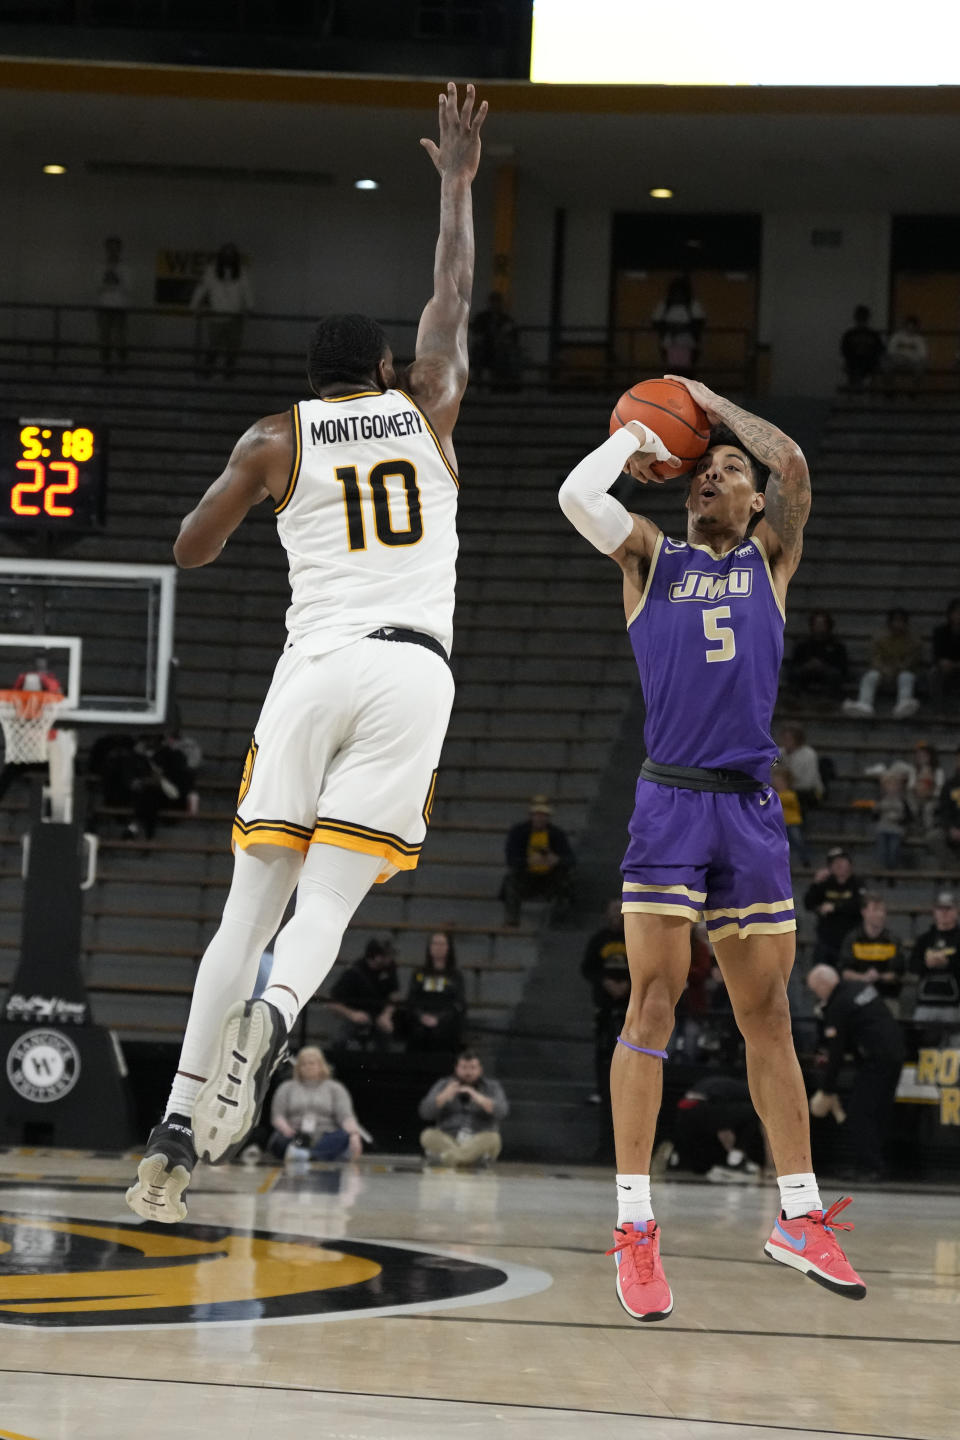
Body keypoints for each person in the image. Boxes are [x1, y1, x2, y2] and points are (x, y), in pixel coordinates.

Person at [125, 82, 489, 1224]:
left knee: (245, 909)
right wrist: (456, 184)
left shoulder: (273, 436)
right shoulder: (428, 404)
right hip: (414, 671)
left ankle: (176, 1131)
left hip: (315, 667)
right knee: (326, 904)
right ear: (385, 367)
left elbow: (188, 549)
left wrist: (259, 490)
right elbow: (453, 294)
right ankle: (277, 1022)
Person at [557, 372, 865, 1322]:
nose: (711, 479)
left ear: (755, 498)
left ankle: (798, 1215)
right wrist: (639, 440)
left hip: (750, 810)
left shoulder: (772, 556)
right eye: (701, 472)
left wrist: (708, 402)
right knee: (651, 998)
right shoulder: (649, 557)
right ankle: (635, 1226)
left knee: (766, 1011)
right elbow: (576, 497)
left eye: (728, 472)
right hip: (670, 802)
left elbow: (798, 464)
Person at [807, 964, 906, 1179]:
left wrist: (826, 1089)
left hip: (877, 1061)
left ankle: (872, 1167)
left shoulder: (838, 1004)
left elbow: (836, 1053)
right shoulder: (858, 987)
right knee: (878, 1112)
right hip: (896, 1054)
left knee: (858, 1113)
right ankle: (875, 1164)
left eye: (816, 990)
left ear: (824, 984)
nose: (817, 995)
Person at [267, 1046, 366, 1163]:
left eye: (312, 1063)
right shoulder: (286, 1088)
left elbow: (346, 1117)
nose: (308, 1067)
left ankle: (307, 1155)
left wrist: (354, 1134)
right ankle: (309, 1155)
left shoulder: (335, 1088)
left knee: (343, 1137)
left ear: (321, 1065)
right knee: (278, 1140)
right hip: (294, 1134)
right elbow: (277, 1116)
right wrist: (286, 1129)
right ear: (298, 1067)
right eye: (304, 1064)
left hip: (325, 1136)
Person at [419, 1048, 508, 1168]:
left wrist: (479, 1098)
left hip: (478, 1139)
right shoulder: (443, 1084)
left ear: (480, 1070)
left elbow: (502, 1111)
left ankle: (448, 1159)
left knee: (493, 1138)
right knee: (427, 1135)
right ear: (456, 1069)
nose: (468, 1072)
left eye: (472, 1068)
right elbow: (425, 1112)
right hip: (448, 1138)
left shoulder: (492, 1087)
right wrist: (444, 1096)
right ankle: (468, 1160)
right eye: (464, 1068)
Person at [671, 1074, 763, 1183]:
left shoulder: (720, 1083)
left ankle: (675, 1159)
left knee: (699, 1159)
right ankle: (736, 1160)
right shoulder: (746, 1090)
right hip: (703, 1106)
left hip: (683, 1108)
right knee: (753, 1112)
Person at [501, 795, 575, 927]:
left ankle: (558, 921)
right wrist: (528, 862)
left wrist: (556, 860)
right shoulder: (518, 832)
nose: (540, 818)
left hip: (550, 877)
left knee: (567, 880)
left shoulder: (557, 834)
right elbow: (511, 859)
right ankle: (512, 920)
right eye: (537, 814)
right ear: (531, 815)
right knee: (511, 879)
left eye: (543, 815)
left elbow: (571, 859)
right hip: (526, 877)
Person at [842, 608, 923, 719]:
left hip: (903, 673)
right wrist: (885, 670)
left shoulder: (914, 641)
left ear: (906, 623)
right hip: (883, 673)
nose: (898, 624)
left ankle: (904, 703)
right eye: (895, 621)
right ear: (889, 623)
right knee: (871, 676)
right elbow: (875, 659)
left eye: (901, 621)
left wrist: (898, 668)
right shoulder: (879, 639)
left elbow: (911, 660)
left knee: (906, 677)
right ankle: (864, 704)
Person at [326, 937, 403, 1049]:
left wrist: (387, 1014)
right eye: (387, 955)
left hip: (380, 1016)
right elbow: (331, 1002)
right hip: (355, 1016)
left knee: (389, 1040)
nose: (390, 959)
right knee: (340, 1041)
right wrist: (351, 1014)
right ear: (376, 957)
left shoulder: (390, 968)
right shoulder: (354, 972)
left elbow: (394, 994)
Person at [191, 242, 254, 379]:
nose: (228, 257)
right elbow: (202, 288)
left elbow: (246, 290)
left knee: (233, 350)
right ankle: (207, 375)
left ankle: (228, 377)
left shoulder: (241, 271)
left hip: (235, 317)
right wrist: (194, 306)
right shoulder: (211, 270)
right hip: (217, 316)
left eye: (231, 254)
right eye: (226, 254)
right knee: (213, 348)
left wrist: (249, 307)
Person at [405, 929, 466, 1052]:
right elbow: (412, 1000)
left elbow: (459, 1003)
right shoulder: (419, 974)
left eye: (442, 944)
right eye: (435, 943)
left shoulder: (455, 975)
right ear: (429, 947)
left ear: (449, 948)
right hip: (421, 1023)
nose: (438, 947)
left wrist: (439, 1018)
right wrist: (422, 1016)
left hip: (446, 1023)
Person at [837, 892, 904, 1003]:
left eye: (882, 910)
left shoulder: (893, 940)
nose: (880, 914)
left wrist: (879, 977)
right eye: (875, 910)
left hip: (886, 996)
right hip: (856, 996)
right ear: (864, 912)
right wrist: (863, 978)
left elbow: (897, 973)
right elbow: (845, 972)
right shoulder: (853, 939)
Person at [803, 848, 865, 967]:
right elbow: (808, 904)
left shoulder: (857, 883)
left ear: (850, 864)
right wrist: (815, 883)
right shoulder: (825, 884)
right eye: (834, 862)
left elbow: (859, 905)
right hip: (827, 939)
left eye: (842, 861)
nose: (838, 865)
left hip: (851, 938)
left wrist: (835, 907)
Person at [909, 891, 960, 1033]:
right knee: (921, 1045)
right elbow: (912, 966)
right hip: (925, 1003)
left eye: (948, 909)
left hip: (954, 1006)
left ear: (956, 911)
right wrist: (927, 964)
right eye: (940, 909)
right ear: (934, 911)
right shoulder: (924, 940)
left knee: (955, 1049)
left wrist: (948, 963)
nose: (944, 913)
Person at [786, 609, 848, 703]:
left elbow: (843, 668)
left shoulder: (837, 646)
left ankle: (828, 701)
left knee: (835, 675)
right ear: (812, 626)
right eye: (817, 624)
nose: (819, 627)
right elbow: (793, 664)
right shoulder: (802, 645)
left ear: (828, 626)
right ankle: (794, 700)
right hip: (806, 672)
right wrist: (807, 666)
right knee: (795, 673)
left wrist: (823, 667)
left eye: (822, 624)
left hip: (828, 674)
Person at [651, 276, 705, 375]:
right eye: (675, 292)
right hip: (669, 343)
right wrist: (670, 328)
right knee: (671, 372)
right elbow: (656, 322)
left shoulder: (692, 305)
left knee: (687, 372)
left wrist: (683, 328)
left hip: (688, 344)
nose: (678, 295)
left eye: (681, 292)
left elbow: (699, 323)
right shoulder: (665, 305)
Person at [470, 291, 521, 390]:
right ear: (489, 303)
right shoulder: (481, 318)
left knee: (506, 357)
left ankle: (499, 387)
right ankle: (479, 386)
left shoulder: (506, 319)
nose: (495, 305)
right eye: (493, 302)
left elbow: (514, 336)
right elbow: (477, 334)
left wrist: (504, 338)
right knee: (478, 355)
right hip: (485, 349)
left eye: (497, 302)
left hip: (500, 351)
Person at [95, 235, 131, 373]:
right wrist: (113, 283)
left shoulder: (126, 267)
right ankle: (106, 367)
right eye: (110, 248)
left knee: (121, 338)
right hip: (103, 306)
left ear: (120, 249)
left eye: (116, 248)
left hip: (120, 306)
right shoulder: (100, 267)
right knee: (104, 338)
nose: (113, 251)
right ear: (106, 249)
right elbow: (96, 285)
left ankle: (122, 366)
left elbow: (128, 287)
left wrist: (111, 281)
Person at [770, 762, 810, 868]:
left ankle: (805, 859)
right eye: (776, 781)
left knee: (798, 840)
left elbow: (784, 801)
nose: (778, 784)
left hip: (793, 822)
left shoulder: (790, 795)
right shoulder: (772, 794)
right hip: (780, 824)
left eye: (781, 782)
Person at [871, 768, 911, 872]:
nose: (892, 788)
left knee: (894, 850)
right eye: (889, 784)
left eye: (895, 784)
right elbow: (874, 816)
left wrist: (900, 818)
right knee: (882, 850)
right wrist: (875, 810)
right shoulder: (880, 799)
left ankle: (892, 870)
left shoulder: (903, 800)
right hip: (882, 829)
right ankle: (882, 869)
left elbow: (908, 816)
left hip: (896, 830)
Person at [778, 724, 824, 811]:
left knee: (788, 798)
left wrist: (787, 784)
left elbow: (807, 783)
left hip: (807, 792)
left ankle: (793, 823)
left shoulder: (809, 754)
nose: (784, 742)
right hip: (784, 790)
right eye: (783, 738)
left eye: (788, 739)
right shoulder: (780, 752)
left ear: (797, 740)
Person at [840, 305, 884, 390]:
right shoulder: (849, 334)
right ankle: (855, 388)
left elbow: (880, 349)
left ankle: (864, 389)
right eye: (860, 318)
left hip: (869, 362)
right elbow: (844, 350)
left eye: (863, 318)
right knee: (854, 368)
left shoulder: (873, 334)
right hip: (854, 362)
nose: (861, 321)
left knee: (873, 369)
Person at [929, 598, 960, 710]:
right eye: (956, 612)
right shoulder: (940, 631)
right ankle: (938, 709)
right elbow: (936, 654)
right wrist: (942, 662)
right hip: (945, 668)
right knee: (934, 673)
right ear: (950, 614)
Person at [933, 747, 960, 868]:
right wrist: (950, 828)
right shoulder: (950, 784)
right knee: (933, 837)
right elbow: (944, 809)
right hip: (953, 828)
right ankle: (954, 868)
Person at [883, 315, 928, 387]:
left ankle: (913, 391)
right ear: (905, 326)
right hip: (897, 360)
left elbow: (923, 355)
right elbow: (890, 351)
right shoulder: (896, 336)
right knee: (886, 365)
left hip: (913, 362)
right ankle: (889, 391)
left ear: (916, 327)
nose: (910, 329)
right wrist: (899, 358)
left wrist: (912, 360)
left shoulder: (919, 339)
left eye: (913, 327)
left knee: (921, 367)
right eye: (908, 326)